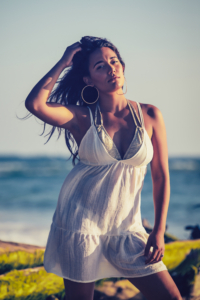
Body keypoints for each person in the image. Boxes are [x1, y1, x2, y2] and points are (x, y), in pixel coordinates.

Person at [25, 36, 182, 300]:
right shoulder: (81, 117)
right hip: (80, 224)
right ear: (88, 80)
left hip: (127, 228)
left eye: (114, 61)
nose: (111, 68)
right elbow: (36, 104)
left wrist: (158, 230)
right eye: (100, 66)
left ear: (122, 66)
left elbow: (160, 176)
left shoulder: (151, 115)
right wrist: (63, 62)